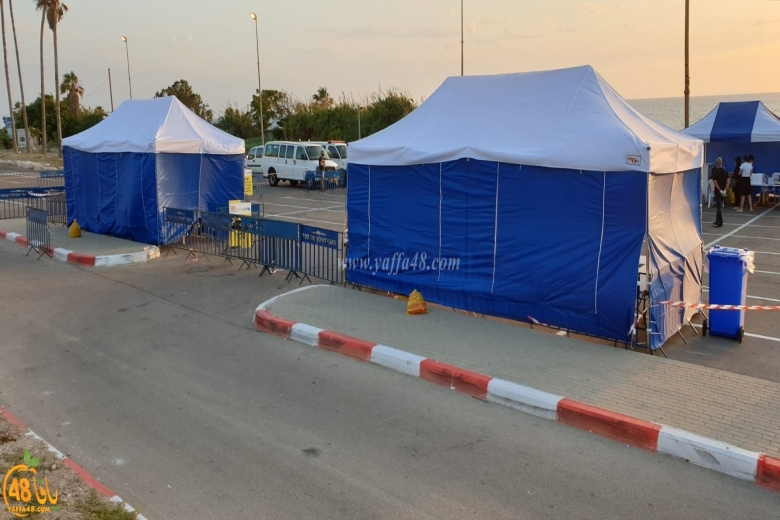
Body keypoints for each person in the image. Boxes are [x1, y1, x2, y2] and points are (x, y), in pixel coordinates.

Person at [710, 158, 729, 227]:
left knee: (719, 207)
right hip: (723, 191)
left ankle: (720, 222)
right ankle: (717, 220)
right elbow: (728, 181)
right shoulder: (725, 172)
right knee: (719, 206)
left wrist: (720, 190)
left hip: (718, 192)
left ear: (716, 164)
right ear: (721, 164)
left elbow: (715, 183)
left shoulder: (715, 172)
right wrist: (725, 190)